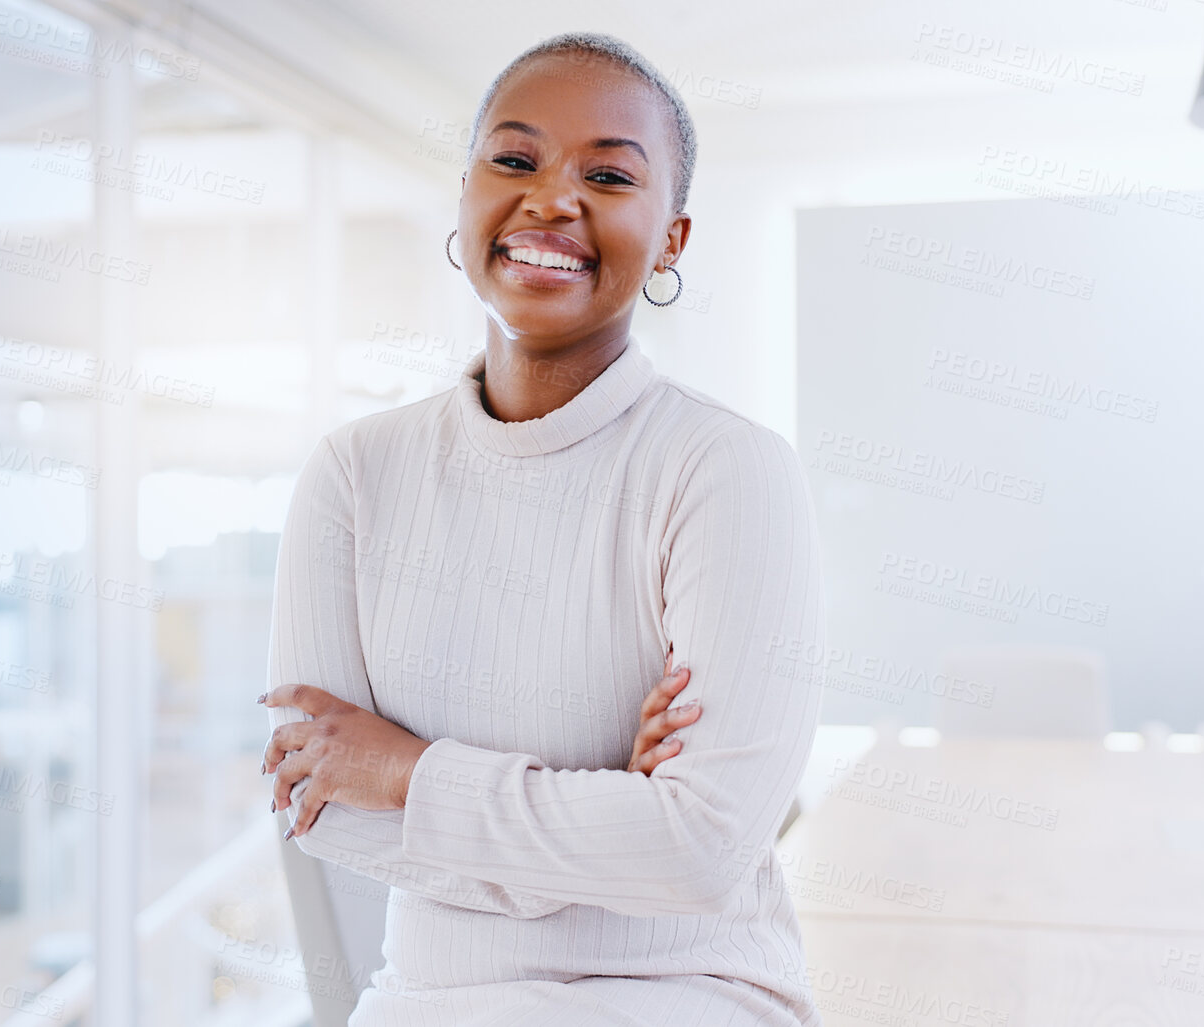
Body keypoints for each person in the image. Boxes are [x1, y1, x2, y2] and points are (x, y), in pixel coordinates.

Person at [261, 30, 828, 1026]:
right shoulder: (355, 473)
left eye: (608, 175)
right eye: (514, 160)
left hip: (684, 992)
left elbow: (703, 849)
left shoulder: (725, 470)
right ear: (467, 196)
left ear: (672, 240)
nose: (551, 198)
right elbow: (323, 812)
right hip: (429, 998)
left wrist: (405, 772)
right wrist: (613, 809)